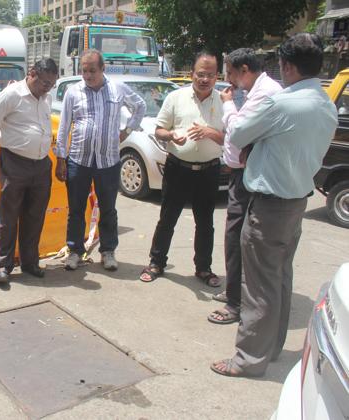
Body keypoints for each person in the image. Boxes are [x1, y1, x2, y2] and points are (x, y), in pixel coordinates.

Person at [211, 33, 337, 377]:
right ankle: (271, 348)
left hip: (269, 205)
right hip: (296, 201)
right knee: (279, 278)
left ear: (288, 65)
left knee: (258, 286)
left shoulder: (282, 103)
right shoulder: (325, 104)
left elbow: (237, 133)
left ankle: (249, 359)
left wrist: (228, 106)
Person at [207, 48, 283, 325]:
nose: (228, 79)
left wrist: (228, 105)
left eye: (230, 72)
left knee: (237, 238)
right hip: (242, 174)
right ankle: (235, 292)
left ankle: (235, 304)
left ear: (244, 70)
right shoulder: (255, 92)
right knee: (237, 238)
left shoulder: (264, 94)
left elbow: (239, 132)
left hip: (248, 177)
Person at [56, 49, 146, 271]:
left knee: (109, 209)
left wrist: (127, 131)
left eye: (92, 71)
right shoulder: (73, 92)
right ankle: (75, 251)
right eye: (84, 71)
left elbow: (140, 106)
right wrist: (61, 158)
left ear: (103, 69)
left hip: (108, 161)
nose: (88, 75)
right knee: (76, 209)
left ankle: (108, 251)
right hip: (78, 160)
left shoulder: (118, 89)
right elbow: (64, 126)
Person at [139, 51, 224, 286]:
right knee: (167, 218)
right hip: (178, 169)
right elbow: (159, 130)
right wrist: (171, 135)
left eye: (210, 75)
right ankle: (157, 262)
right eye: (200, 74)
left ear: (217, 76)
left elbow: (231, 138)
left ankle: (204, 268)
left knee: (205, 222)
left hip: (209, 170)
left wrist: (211, 133)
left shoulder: (224, 102)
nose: (204, 79)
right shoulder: (176, 98)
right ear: (191, 74)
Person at [0, 58, 59, 285]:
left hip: (41, 164)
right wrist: (3, 140)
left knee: (35, 216)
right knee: (9, 215)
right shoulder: (11, 94)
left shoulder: (46, 97)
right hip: (15, 163)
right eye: (44, 82)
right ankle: (1, 266)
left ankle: (30, 262)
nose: (47, 88)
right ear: (32, 73)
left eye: (51, 84)